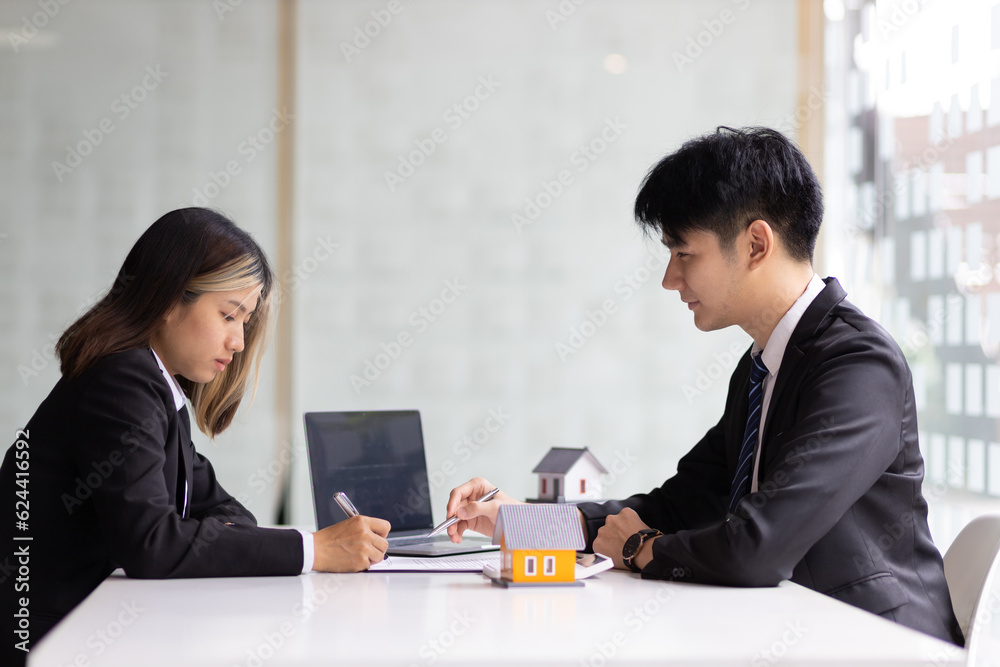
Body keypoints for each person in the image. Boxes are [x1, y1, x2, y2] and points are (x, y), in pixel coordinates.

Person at [445, 127, 964, 645]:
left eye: (684, 253)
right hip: (793, 633)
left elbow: (757, 548)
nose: (670, 279)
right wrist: (516, 523)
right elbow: (672, 508)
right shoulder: (762, 368)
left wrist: (642, 549)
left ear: (756, 244)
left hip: (879, 644)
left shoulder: (858, 365)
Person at [0, 208, 390, 664]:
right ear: (168, 300)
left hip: (93, 628)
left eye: (245, 322)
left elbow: (224, 510)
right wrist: (314, 549)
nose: (239, 342)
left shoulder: (157, 388)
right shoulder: (121, 382)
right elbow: (153, 545)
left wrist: (193, 536)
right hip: (44, 643)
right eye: (229, 315)